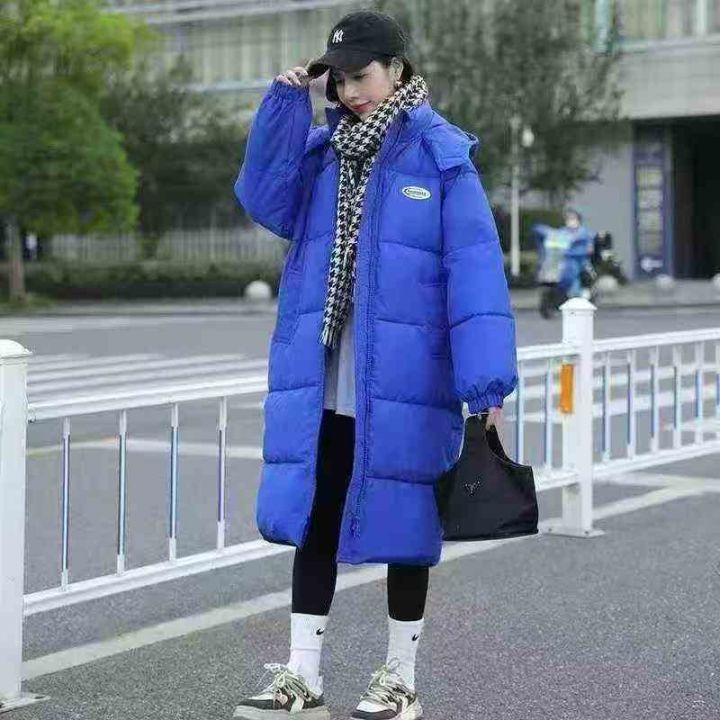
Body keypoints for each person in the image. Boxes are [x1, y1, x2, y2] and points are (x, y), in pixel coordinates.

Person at [232, 10, 517, 720]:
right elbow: (263, 199)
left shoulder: (441, 154)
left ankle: (400, 679)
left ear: (396, 69)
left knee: (406, 523)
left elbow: (475, 271)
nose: (350, 92)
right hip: (327, 371)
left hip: (408, 377)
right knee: (316, 514)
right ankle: (303, 675)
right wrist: (283, 106)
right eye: (338, 80)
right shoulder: (323, 152)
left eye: (361, 76)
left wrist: (486, 381)